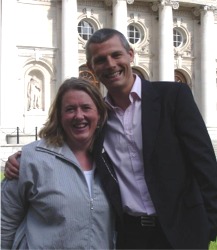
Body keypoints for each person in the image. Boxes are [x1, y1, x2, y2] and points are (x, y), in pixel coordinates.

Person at [5, 28, 217, 249]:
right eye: (100, 60)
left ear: (130, 54)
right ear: (92, 68)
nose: (111, 64)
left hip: (182, 230)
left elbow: (204, 163)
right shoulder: (99, 118)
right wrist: (23, 158)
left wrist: (209, 225)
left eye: (116, 55)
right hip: (130, 235)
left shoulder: (173, 97)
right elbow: (70, 144)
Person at [1, 77, 123, 249]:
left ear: (99, 113)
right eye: (70, 109)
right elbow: (5, 222)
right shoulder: (31, 160)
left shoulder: (112, 159)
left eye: (86, 108)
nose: (79, 116)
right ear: (59, 115)